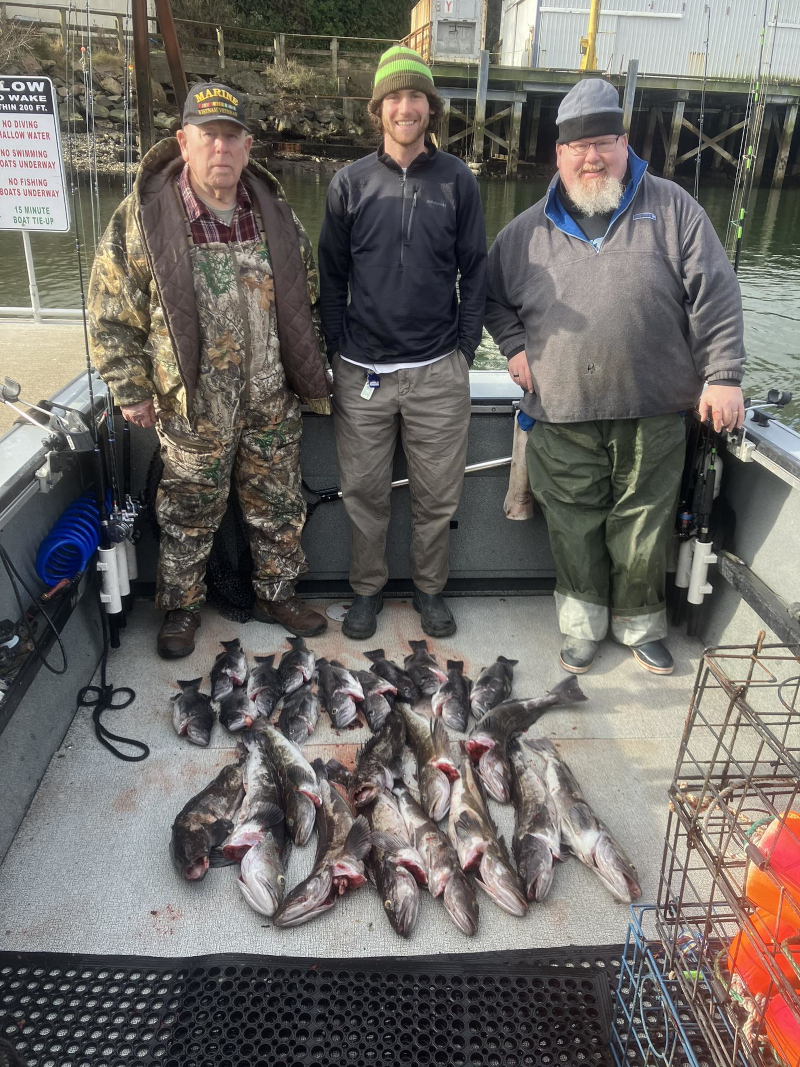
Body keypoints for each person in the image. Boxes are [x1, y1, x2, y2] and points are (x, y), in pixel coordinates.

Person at [485, 77, 746, 676]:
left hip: (654, 410)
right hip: (560, 411)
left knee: (644, 523)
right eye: (579, 146)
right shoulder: (522, 233)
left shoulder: (676, 208)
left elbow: (717, 296)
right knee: (573, 526)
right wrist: (514, 345)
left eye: (603, 142)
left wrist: (724, 374)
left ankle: (640, 626)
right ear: (559, 154)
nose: (592, 157)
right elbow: (489, 298)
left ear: (625, 143)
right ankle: (581, 629)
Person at [88, 81, 331, 659]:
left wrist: (311, 374)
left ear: (247, 146)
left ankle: (277, 592)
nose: (220, 148)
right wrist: (131, 388)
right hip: (191, 404)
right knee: (188, 513)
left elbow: (310, 300)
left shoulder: (275, 214)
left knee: (277, 504)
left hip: (271, 397)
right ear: (184, 141)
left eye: (231, 136)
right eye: (208, 135)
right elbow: (108, 312)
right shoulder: (144, 218)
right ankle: (181, 608)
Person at [318, 46, 487, 640]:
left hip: (439, 370)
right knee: (364, 494)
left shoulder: (458, 180)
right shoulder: (349, 184)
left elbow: (477, 270)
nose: (406, 107)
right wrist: (338, 344)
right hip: (361, 371)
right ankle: (366, 592)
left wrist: (465, 349)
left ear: (430, 108)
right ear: (378, 109)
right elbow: (330, 275)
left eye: (416, 96)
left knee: (436, 497)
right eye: (394, 97)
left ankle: (429, 591)